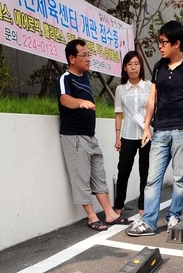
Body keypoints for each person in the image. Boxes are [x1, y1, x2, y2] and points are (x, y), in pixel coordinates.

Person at [126, 20, 183, 237]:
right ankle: (149, 222)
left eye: (163, 42)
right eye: (159, 41)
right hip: (159, 131)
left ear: (176, 43)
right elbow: (152, 99)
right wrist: (147, 127)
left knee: (179, 179)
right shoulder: (159, 66)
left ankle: (173, 216)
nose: (160, 46)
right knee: (153, 179)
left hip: (181, 131)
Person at [57, 39, 133, 231]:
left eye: (89, 55)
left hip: (90, 137)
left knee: (99, 175)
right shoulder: (65, 78)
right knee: (81, 178)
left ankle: (109, 214)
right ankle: (92, 217)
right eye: (84, 55)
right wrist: (80, 102)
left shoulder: (84, 78)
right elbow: (64, 99)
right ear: (72, 58)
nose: (88, 59)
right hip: (74, 137)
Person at [114, 51, 152, 217]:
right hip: (128, 135)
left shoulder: (149, 86)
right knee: (123, 170)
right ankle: (118, 206)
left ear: (140, 66)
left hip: (146, 135)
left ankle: (143, 208)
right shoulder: (120, 89)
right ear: (125, 67)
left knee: (145, 172)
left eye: (136, 63)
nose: (133, 67)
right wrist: (117, 137)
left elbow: (154, 109)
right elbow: (118, 114)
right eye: (130, 64)